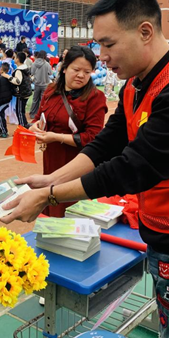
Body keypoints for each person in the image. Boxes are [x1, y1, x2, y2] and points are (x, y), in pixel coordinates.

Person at [1, 0, 169, 338]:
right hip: (165, 233)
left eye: (108, 44)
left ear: (145, 32)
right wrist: (50, 179)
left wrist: (49, 196)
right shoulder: (135, 85)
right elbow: (106, 145)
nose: (102, 56)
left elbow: (132, 168)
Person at [29, 45, 107, 217]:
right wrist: (34, 126)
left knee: (72, 208)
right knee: (50, 200)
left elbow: (92, 138)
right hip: (51, 157)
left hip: (77, 161)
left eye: (87, 72)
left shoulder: (95, 97)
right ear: (64, 68)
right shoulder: (51, 90)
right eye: (76, 69)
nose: (81, 75)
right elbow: (39, 117)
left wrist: (55, 137)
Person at [3, 52, 32, 128]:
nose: (14, 58)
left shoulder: (19, 70)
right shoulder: (25, 68)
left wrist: (8, 77)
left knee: (19, 111)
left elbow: (18, 81)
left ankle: (22, 127)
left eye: (15, 57)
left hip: (21, 93)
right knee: (22, 110)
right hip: (27, 91)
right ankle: (25, 124)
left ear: (18, 59)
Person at [29, 50, 53, 119]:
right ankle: (43, 115)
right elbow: (50, 73)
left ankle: (33, 114)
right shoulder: (47, 64)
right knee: (43, 101)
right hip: (45, 84)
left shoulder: (34, 63)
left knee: (35, 100)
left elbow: (32, 73)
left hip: (36, 84)